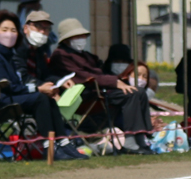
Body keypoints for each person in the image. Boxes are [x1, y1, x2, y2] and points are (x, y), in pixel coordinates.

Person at [0, 11, 76, 149]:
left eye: (13, 30)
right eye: (4, 30)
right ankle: (49, 146)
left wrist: (49, 86)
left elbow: (18, 84)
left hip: (7, 97)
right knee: (40, 98)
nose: (10, 34)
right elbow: (9, 86)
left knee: (45, 98)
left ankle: (63, 142)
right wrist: (38, 88)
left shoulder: (7, 54)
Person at [49, 19, 154, 154]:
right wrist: (114, 82)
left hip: (100, 90)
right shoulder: (61, 55)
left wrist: (116, 79)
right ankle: (129, 140)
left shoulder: (85, 55)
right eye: (77, 36)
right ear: (66, 39)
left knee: (138, 92)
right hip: (86, 95)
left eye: (82, 36)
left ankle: (141, 137)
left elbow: (100, 70)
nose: (81, 39)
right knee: (132, 93)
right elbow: (82, 76)